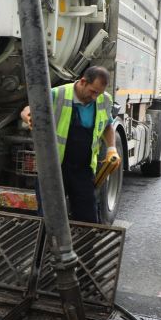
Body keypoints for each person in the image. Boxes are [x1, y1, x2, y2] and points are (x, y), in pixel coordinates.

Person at [20, 66, 119, 224]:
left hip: (83, 170)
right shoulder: (57, 94)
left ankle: (84, 248)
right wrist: (28, 116)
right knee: (49, 219)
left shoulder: (104, 99)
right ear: (83, 82)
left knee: (88, 219)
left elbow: (107, 125)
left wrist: (111, 148)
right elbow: (27, 109)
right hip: (53, 169)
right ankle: (46, 248)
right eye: (93, 91)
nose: (95, 97)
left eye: (98, 93)